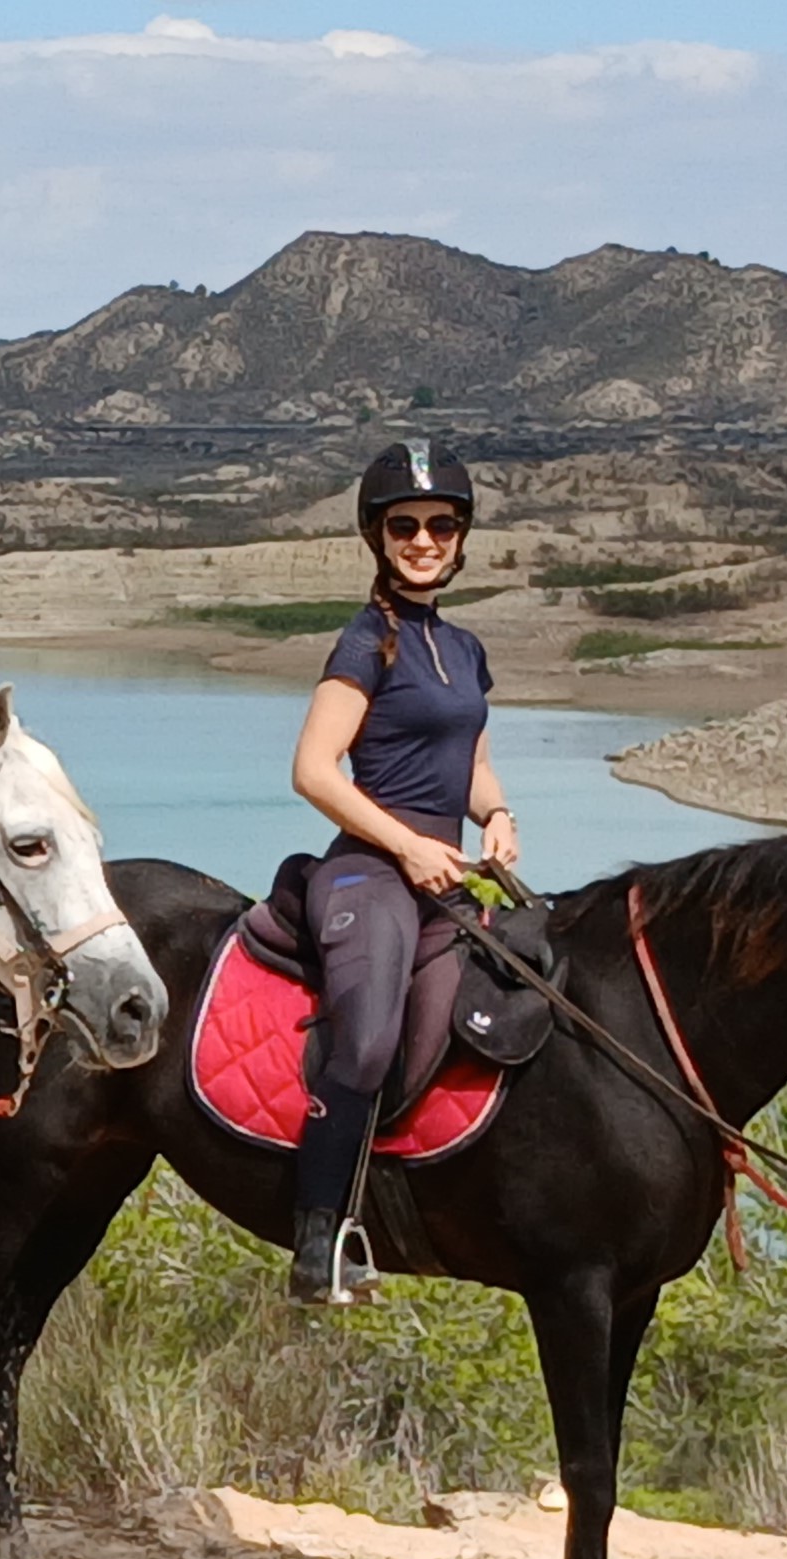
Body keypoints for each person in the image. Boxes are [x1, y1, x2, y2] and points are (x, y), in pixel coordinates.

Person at [284, 439, 519, 1305]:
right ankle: (319, 1239)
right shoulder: (364, 642)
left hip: (448, 871)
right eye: (406, 525)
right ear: (378, 536)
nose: (424, 539)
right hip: (370, 874)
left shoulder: (465, 648)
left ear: (462, 538)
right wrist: (408, 847)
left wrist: (496, 815)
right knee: (372, 1034)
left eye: (441, 525)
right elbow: (313, 769)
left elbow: (473, 765)